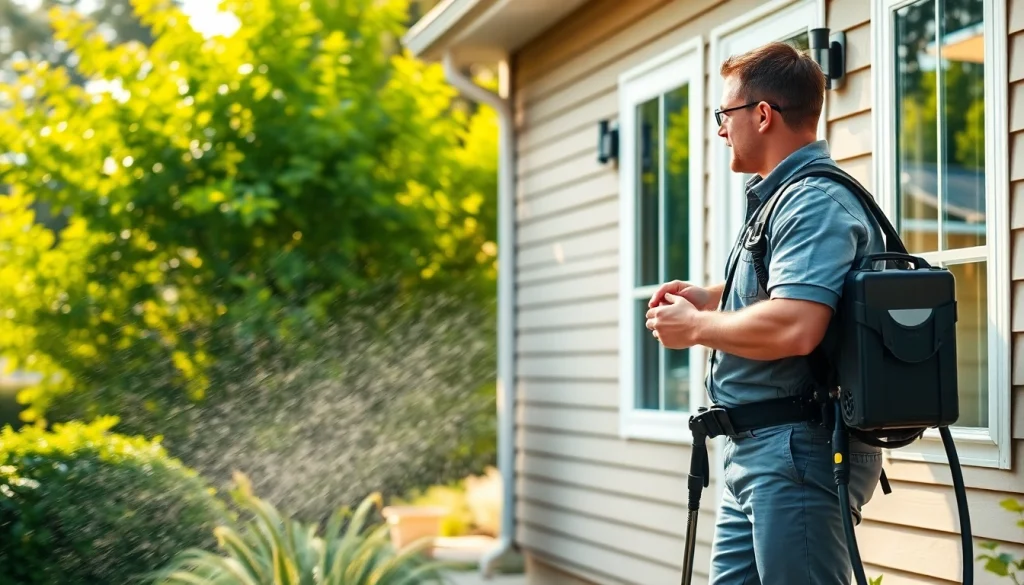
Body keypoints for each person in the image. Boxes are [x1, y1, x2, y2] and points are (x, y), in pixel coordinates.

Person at [645, 41, 884, 585]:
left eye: (724, 114)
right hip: (761, 451)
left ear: (762, 114)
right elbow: (784, 288)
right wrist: (712, 298)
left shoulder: (811, 201)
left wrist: (698, 328)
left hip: (796, 454)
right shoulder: (779, 198)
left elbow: (797, 325)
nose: (720, 129)